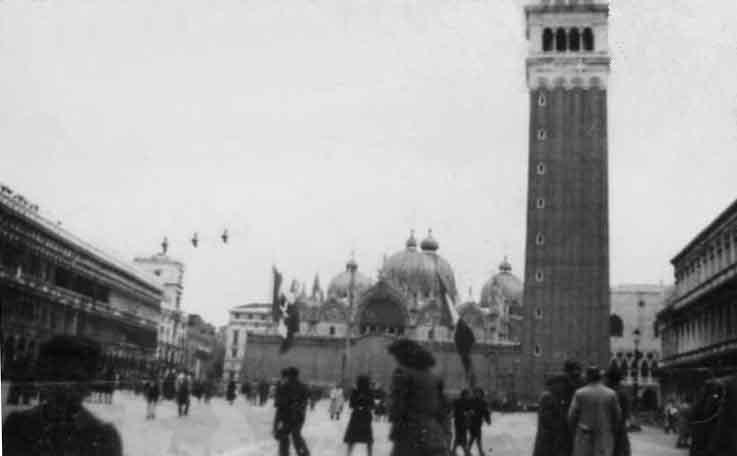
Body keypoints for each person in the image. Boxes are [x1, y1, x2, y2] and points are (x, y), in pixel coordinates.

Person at [2, 335, 122, 455]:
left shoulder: (104, 438)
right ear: (42, 379)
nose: (64, 387)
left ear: (89, 385)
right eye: (56, 376)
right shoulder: (16, 427)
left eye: (75, 379)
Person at [386, 338, 447, 456]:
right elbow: (441, 407)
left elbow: (397, 407)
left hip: (409, 434)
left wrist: (393, 415)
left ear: (402, 356)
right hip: (433, 433)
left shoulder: (402, 373)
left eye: (396, 357)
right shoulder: (432, 376)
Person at [568, 366, 622, 456]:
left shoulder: (580, 393)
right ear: (600, 377)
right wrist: (611, 431)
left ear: (587, 377)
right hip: (604, 436)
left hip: (583, 437)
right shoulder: (611, 394)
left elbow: (571, 416)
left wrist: (575, 431)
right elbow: (617, 416)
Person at [533, 374, 574, 456]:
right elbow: (548, 419)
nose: (564, 388)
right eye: (563, 385)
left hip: (551, 440)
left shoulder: (555, 397)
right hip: (548, 441)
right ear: (556, 384)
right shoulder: (547, 397)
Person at [273, 367, 310, 456]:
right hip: (298, 416)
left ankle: (285, 454)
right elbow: (305, 401)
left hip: (286, 416)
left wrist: (276, 424)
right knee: (296, 437)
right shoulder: (303, 386)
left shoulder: (284, 386)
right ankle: (303, 454)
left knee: (284, 438)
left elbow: (278, 403)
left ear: (289, 375)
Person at [344, 375, 375, 456]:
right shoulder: (369, 391)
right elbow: (372, 405)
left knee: (352, 438)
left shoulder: (355, 391)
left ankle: (348, 454)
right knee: (368, 440)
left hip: (357, 416)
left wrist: (359, 404)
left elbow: (351, 404)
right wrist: (363, 403)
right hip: (365, 417)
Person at [605, 366, 630, 456]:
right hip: (620, 431)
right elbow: (626, 413)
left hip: (608, 431)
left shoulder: (607, 393)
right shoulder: (623, 393)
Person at [468, 388, 491, 455]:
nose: (477, 394)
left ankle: (468, 450)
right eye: (476, 393)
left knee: (474, 437)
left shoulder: (483, 402)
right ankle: (480, 452)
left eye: (479, 393)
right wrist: (469, 413)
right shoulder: (471, 401)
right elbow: (467, 409)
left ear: (481, 394)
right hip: (471, 422)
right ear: (474, 394)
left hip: (478, 422)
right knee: (476, 437)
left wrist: (488, 420)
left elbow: (486, 412)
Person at [452, 390, 472, 456]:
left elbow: (469, 411)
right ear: (464, 395)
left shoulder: (467, 402)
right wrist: (465, 413)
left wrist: (469, 413)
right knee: (460, 438)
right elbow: (456, 412)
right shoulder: (459, 402)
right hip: (459, 423)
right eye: (467, 395)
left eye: (468, 395)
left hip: (463, 423)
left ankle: (454, 452)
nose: (468, 396)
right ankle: (466, 453)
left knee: (459, 438)